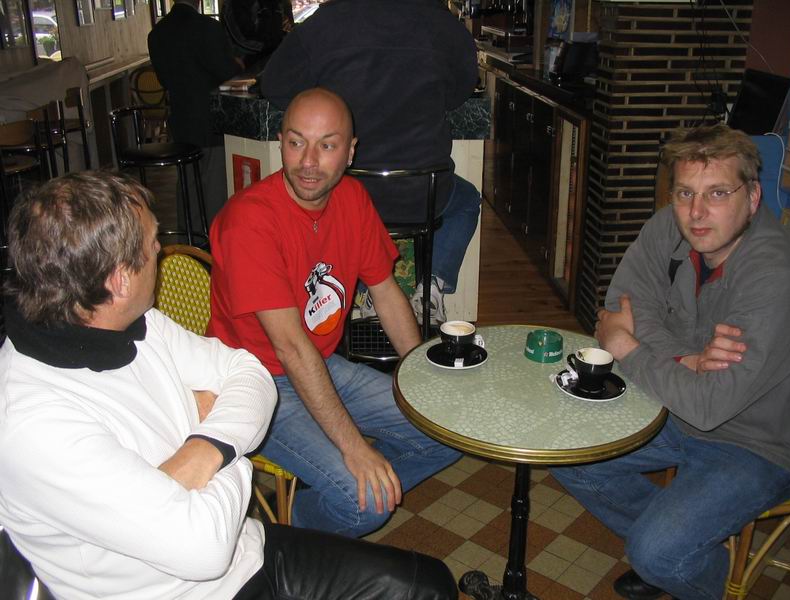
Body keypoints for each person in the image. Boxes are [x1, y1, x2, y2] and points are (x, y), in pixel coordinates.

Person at [0, 171, 459, 600]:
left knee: (430, 585)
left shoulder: (136, 324)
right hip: (186, 590)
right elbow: (205, 550)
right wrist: (223, 444)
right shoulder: (35, 425)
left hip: (249, 545)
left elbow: (249, 372)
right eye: (153, 244)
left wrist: (202, 449)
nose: (162, 250)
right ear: (120, 281)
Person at [551, 124, 790, 600]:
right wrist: (684, 359)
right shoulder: (669, 226)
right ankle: (688, 548)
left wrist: (628, 347)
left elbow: (707, 405)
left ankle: (676, 559)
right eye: (685, 192)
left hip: (760, 443)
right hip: (670, 405)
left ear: (752, 197)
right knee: (566, 451)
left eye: (717, 193)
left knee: (657, 552)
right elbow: (624, 304)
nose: (696, 212)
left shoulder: (776, 276)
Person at [207, 88, 461, 537]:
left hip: (320, 365)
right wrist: (353, 448)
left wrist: (421, 380)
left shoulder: (352, 198)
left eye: (327, 145)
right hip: (252, 382)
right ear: (280, 141)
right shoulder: (249, 220)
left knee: (449, 428)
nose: (308, 161)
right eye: (296, 142)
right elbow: (290, 347)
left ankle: (322, 496)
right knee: (366, 505)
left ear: (350, 151)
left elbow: (386, 293)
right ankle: (291, 536)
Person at [260, 0, 481, 323]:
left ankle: (364, 291)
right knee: (467, 200)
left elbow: (274, 86)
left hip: (348, 192)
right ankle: (431, 288)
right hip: (425, 191)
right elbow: (462, 90)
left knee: (337, 214)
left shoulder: (326, 21)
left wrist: (328, 96)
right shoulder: (442, 23)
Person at [148, 0, 243, 226]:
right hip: (212, 120)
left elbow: (163, 80)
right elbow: (228, 73)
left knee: (187, 185)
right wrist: (239, 64)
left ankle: (188, 237)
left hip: (181, 120)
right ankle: (213, 239)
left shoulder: (157, 34)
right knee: (214, 188)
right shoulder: (208, 27)